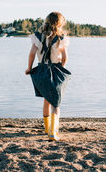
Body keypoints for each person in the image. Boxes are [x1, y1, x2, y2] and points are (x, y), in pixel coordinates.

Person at [25, 12, 70, 141]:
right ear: (60, 24)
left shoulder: (38, 37)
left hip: (41, 69)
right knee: (56, 103)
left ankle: (47, 129)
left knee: (46, 100)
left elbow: (32, 54)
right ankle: (53, 132)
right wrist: (62, 66)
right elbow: (65, 57)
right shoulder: (61, 38)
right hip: (55, 69)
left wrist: (29, 68)